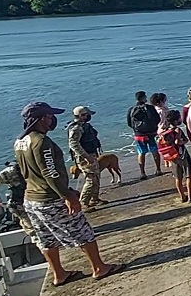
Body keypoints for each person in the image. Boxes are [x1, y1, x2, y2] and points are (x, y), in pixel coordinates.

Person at [14, 102, 123, 286]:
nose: (52, 120)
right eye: (49, 116)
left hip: (31, 198)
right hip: (50, 198)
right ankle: (98, 267)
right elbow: (50, 173)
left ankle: (59, 273)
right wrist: (69, 196)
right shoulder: (41, 142)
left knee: (45, 238)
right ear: (42, 119)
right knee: (82, 231)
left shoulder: (20, 142)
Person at [0, 161, 36, 242]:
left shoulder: (15, 170)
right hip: (25, 208)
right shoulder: (14, 171)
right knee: (37, 235)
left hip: (41, 206)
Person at [67, 106, 106, 210]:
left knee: (96, 177)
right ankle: (83, 202)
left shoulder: (83, 126)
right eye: (86, 115)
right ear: (81, 115)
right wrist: (86, 156)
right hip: (85, 157)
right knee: (91, 179)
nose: (88, 117)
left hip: (91, 154)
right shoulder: (76, 128)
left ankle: (94, 199)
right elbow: (74, 144)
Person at [127, 91, 162, 180]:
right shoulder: (150, 108)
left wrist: (137, 130)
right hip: (151, 133)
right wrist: (153, 127)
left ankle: (143, 173)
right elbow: (157, 119)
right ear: (143, 98)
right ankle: (158, 170)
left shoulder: (131, 109)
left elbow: (129, 123)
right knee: (154, 150)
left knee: (141, 152)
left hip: (139, 135)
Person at [164, 110, 191, 203]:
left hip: (173, 156)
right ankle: (190, 197)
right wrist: (184, 142)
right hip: (182, 154)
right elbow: (178, 142)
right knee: (188, 176)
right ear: (175, 121)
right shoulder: (177, 130)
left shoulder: (165, 130)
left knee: (178, 178)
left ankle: (182, 196)